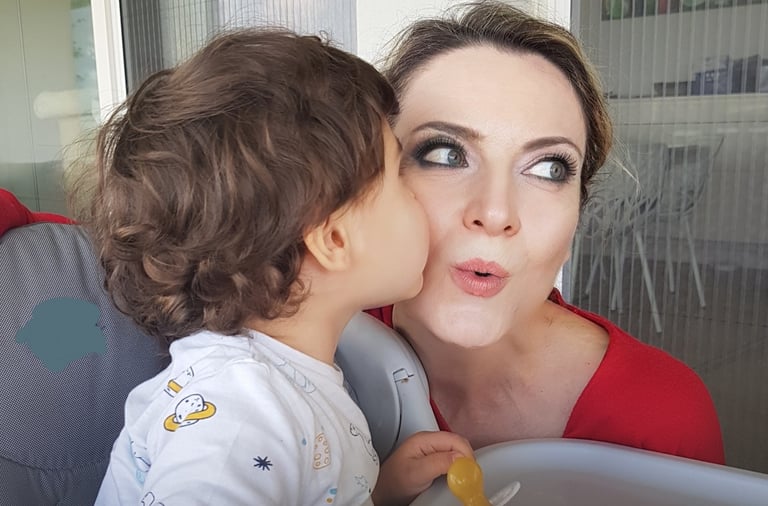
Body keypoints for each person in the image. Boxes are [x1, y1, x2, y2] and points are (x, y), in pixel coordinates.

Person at [78, 29, 472, 505]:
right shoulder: (239, 414)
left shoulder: (277, 380)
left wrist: (379, 491)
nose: (420, 198)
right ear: (334, 239)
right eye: (399, 178)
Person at [366, 0, 725, 465]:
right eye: (445, 155)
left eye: (549, 168)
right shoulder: (310, 351)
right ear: (369, 180)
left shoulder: (662, 417)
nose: (495, 212)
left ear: (578, 208)